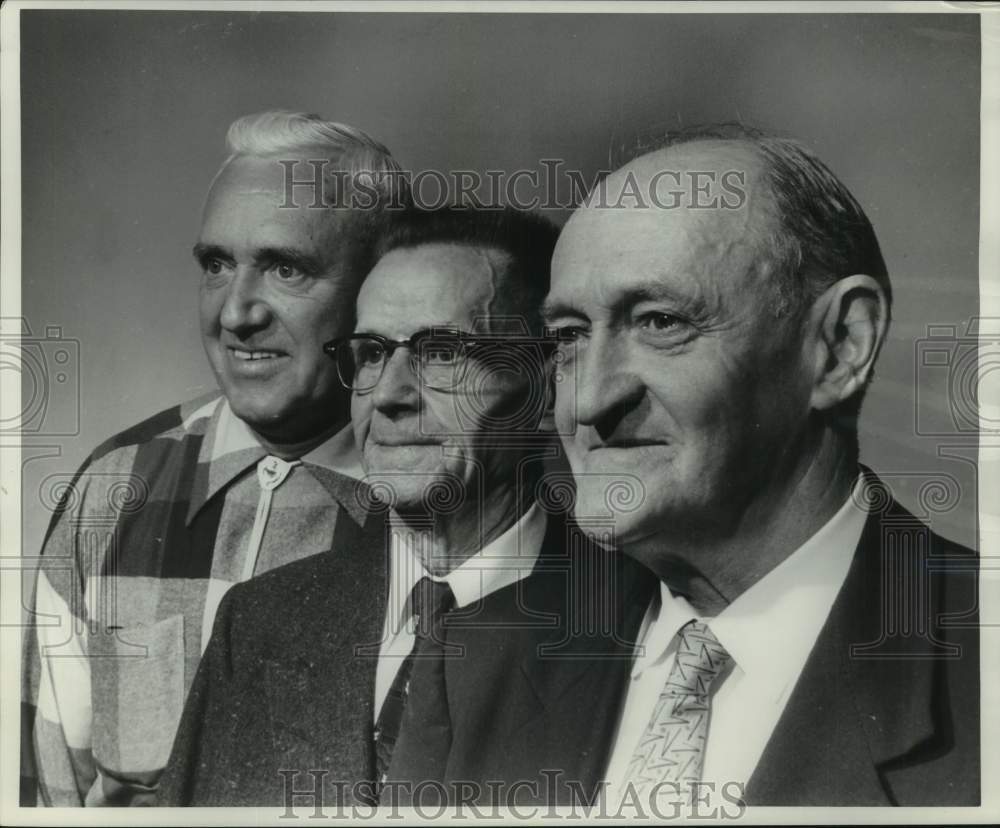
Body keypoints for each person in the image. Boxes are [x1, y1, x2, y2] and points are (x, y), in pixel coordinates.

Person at [542, 124, 979, 808]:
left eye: (660, 321)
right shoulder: (484, 665)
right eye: (568, 337)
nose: (590, 399)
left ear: (839, 347)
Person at [157, 207, 655, 807]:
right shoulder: (257, 623)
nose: (389, 395)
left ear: (549, 385)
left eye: (441, 351)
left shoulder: (638, 620)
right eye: (371, 353)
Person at [21, 111, 405, 806]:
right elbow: (46, 791)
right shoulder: (116, 488)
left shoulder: (442, 499)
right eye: (217, 265)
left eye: (287, 268)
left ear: (379, 289)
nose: (235, 314)